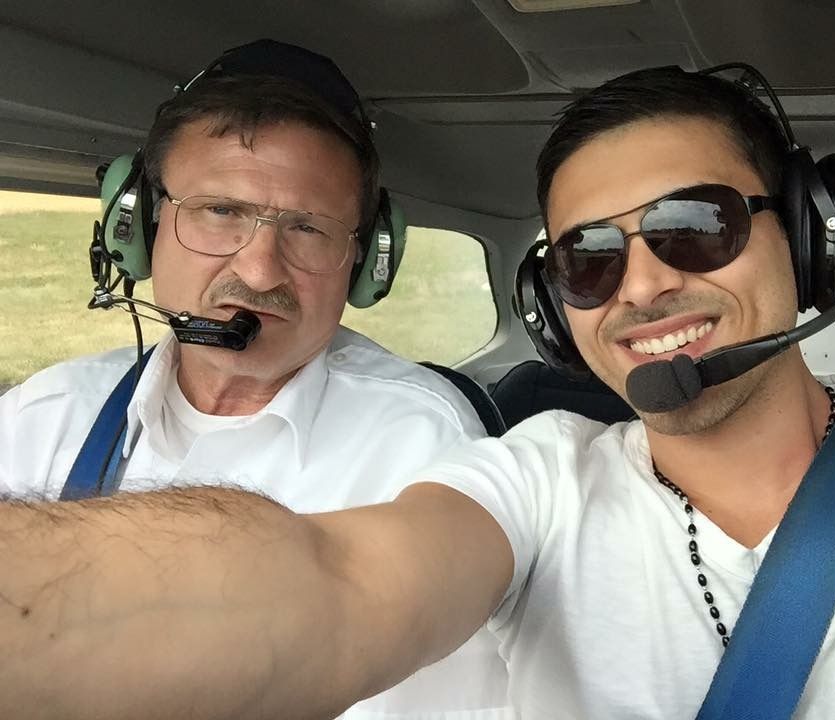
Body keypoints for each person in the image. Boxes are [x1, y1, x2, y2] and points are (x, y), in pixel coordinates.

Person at [2, 65, 835, 719]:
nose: (642, 285)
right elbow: (339, 586)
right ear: (553, 308)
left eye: (695, 226)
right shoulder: (541, 479)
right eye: (587, 259)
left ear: (809, 235)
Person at [0, 40, 512, 719]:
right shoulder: (41, 417)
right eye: (221, 212)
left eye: (309, 228)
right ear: (139, 223)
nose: (261, 270)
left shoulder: (422, 442)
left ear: (364, 263)